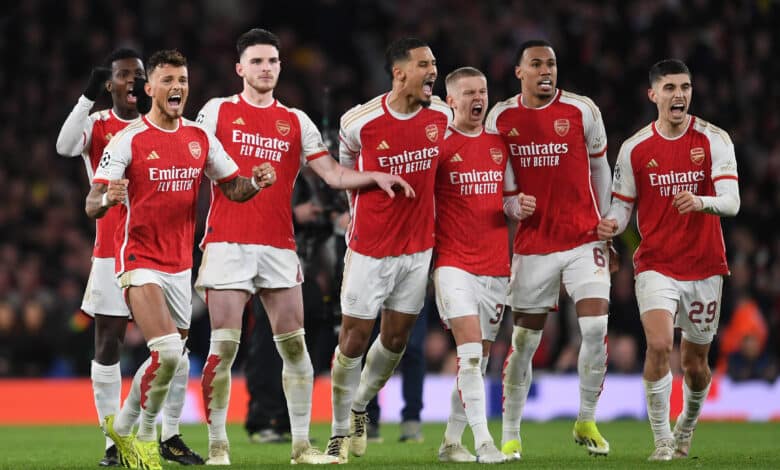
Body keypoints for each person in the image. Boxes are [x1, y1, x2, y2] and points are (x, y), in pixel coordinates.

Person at [193, 28, 413, 465]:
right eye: (256, 61)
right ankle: (217, 444)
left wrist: (374, 177)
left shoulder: (295, 120)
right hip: (228, 242)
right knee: (224, 347)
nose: (265, 68)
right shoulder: (217, 111)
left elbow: (332, 174)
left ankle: (300, 445)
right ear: (240, 68)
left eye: (272, 61)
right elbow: (196, 158)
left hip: (278, 246)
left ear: (280, 66)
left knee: (295, 346)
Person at [88, 49, 276, 470]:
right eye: (169, 81)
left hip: (180, 264)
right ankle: (145, 439)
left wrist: (257, 182)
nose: (178, 88)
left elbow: (234, 187)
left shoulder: (200, 138)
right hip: (138, 258)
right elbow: (91, 201)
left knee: (172, 358)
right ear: (149, 88)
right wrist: (105, 199)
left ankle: (123, 426)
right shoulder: (128, 139)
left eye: (183, 81)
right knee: (169, 354)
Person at [55, 48, 202, 467]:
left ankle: (167, 435)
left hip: (164, 250)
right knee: (108, 344)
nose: (133, 83)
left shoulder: (159, 126)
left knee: (175, 349)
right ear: (109, 83)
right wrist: (86, 96)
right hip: (111, 249)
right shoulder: (100, 125)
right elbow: (65, 146)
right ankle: (112, 441)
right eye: (123, 75)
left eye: (139, 76)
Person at [597, 59, 740, 461]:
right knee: (659, 345)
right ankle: (661, 440)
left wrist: (700, 201)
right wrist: (611, 225)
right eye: (671, 88)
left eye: (686, 87)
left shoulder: (714, 140)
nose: (679, 95)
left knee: (695, 364)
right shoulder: (635, 148)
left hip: (705, 264)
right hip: (656, 262)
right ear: (653, 94)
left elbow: (732, 202)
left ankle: (685, 427)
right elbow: (623, 208)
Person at [326, 37, 451, 464]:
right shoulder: (359, 121)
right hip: (370, 250)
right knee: (353, 340)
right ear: (399, 73)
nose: (433, 71)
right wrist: (357, 212)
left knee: (396, 340)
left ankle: (360, 405)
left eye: (434, 63)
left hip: (418, 249)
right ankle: (339, 431)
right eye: (424, 64)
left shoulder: (442, 115)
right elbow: (345, 171)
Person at [485, 39, 612, 459]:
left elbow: (600, 168)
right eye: (536, 63)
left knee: (595, 329)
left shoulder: (582, 110)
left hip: (582, 238)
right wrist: (511, 205)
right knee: (523, 342)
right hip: (534, 244)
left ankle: (586, 419)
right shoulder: (501, 117)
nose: (546, 70)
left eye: (552, 63)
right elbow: (496, 184)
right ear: (518, 71)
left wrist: (606, 225)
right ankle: (511, 434)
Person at [434, 66, 536, 464]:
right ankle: (485, 443)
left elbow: (507, 199)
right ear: (451, 102)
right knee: (471, 354)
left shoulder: (499, 144)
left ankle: (450, 442)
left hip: (495, 266)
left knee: (477, 358)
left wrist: (518, 206)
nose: (478, 98)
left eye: (483, 91)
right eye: (469, 93)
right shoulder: (440, 147)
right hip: (453, 263)